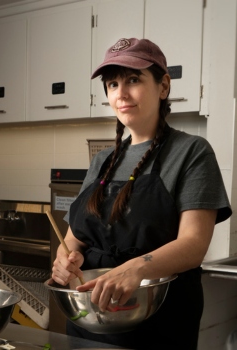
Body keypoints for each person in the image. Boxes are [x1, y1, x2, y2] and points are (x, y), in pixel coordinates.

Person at [51, 37, 232, 350]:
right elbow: (73, 238)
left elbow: (193, 245)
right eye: (112, 84)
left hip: (157, 318)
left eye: (133, 80)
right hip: (89, 316)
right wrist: (63, 259)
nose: (120, 93)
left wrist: (135, 268)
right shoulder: (102, 160)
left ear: (163, 87)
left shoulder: (191, 152)